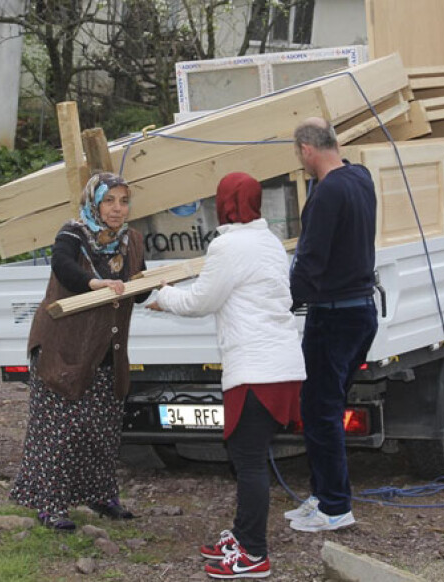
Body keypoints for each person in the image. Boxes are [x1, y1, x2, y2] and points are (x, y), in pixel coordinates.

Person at [148, 172, 305, 579]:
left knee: (248, 460)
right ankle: (241, 534)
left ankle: (254, 554)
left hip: (256, 368)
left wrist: (162, 295)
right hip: (282, 364)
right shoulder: (268, 241)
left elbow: (202, 301)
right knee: (247, 455)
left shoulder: (227, 245)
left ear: (224, 203)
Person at [10, 172, 147, 531]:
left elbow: (138, 287)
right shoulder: (73, 233)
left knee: (101, 429)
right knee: (60, 431)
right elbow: (64, 268)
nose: (117, 209)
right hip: (64, 348)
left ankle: (101, 497)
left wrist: (152, 286)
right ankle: (50, 505)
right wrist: (95, 284)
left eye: (123, 201)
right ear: (94, 203)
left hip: (106, 350)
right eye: (109, 201)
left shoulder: (132, 241)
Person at [285, 117, 378, 533]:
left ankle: (335, 507)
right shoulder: (360, 178)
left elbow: (311, 258)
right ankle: (323, 495)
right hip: (361, 311)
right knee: (325, 405)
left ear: (307, 150)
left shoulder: (326, 193)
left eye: (300, 155)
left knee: (320, 412)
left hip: (334, 316)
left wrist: (286, 298)